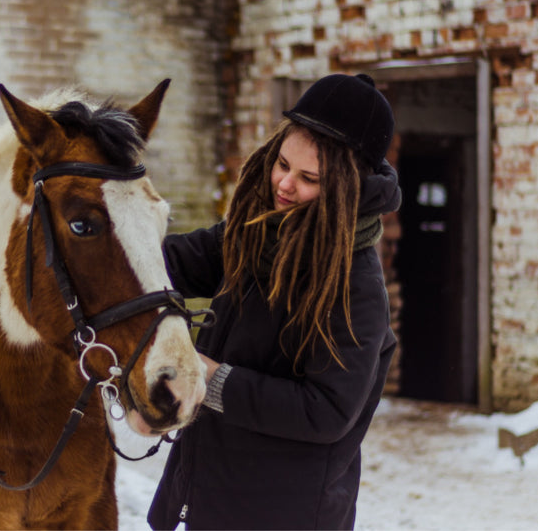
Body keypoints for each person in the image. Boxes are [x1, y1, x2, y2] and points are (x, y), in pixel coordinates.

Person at [147, 73, 402, 530]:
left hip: (283, 514)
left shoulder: (355, 284)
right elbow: (168, 264)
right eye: (282, 164)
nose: (284, 184)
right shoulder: (255, 232)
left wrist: (209, 378)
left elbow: (326, 411)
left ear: (346, 186)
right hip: (206, 496)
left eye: (308, 178)